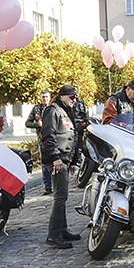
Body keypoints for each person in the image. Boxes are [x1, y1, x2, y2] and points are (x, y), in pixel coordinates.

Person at [39, 85, 81, 249]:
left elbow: (74, 136)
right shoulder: (53, 110)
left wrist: (74, 160)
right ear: (62, 96)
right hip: (57, 160)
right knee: (60, 197)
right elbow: (48, 136)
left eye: (76, 97)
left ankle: (62, 230)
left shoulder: (66, 111)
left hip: (65, 159)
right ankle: (54, 235)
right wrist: (56, 158)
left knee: (62, 196)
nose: (74, 100)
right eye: (72, 97)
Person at [25, 91, 53, 195]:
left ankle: (57, 185)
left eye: (46, 97)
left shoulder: (54, 108)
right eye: (43, 97)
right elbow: (27, 123)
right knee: (45, 163)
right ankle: (48, 187)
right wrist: (37, 124)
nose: (45, 99)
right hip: (42, 139)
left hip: (54, 138)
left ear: (50, 97)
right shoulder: (36, 109)